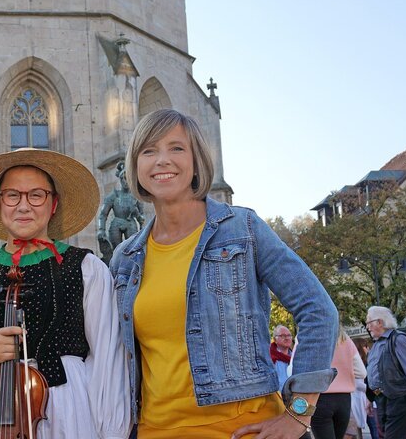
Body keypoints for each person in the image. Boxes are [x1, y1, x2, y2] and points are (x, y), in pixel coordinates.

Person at [109, 109, 338, 439]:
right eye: (149, 150)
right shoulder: (126, 257)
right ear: (135, 165)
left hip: (245, 429)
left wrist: (299, 413)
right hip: (154, 431)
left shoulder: (242, 228)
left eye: (176, 148)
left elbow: (319, 311)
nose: (161, 160)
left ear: (196, 160)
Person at [0, 148, 131, 438]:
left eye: (36, 195)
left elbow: (109, 363)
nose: (23, 206)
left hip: (69, 413)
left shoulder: (87, 268)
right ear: (0, 202)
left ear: (53, 203)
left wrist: (112, 432)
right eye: (13, 195)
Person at [365, 306, 406, 438]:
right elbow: (374, 374)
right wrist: (370, 398)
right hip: (382, 399)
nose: (367, 327)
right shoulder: (377, 344)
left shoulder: (398, 339)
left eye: (369, 323)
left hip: (401, 398)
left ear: (380, 322)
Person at [311, 327, 365, 439]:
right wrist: (343, 371)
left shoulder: (308, 336)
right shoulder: (345, 339)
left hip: (320, 398)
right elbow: (362, 372)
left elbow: (292, 370)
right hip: (344, 400)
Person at [97, 160, 145, 263]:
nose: (125, 181)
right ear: (120, 179)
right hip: (117, 222)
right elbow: (103, 214)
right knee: (116, 251)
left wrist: (137, 214)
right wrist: (101, 229)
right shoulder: (113, 196)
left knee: (133, 248)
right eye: (123, 178)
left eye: (127, 178)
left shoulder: (136, 197)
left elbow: (142, 217)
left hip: (130, 222)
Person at [272, 325, 295, 390]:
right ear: (275, 339)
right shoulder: (270, 358)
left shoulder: (295, 358)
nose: (287, 338)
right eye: (282, 336)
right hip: (277, 398)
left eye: (289, 335)